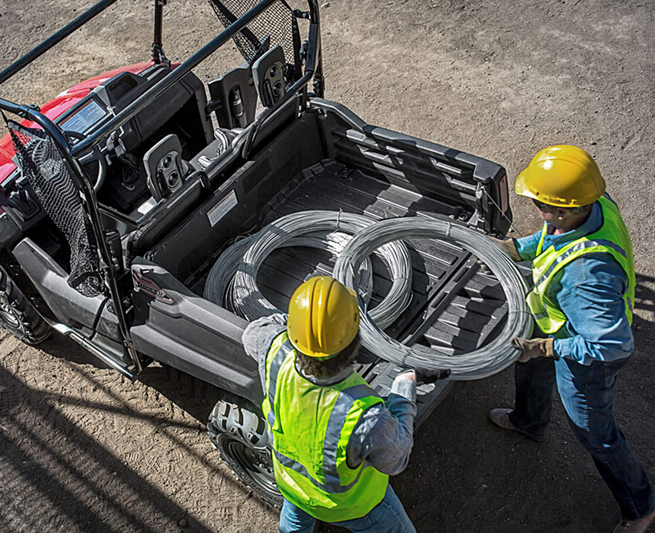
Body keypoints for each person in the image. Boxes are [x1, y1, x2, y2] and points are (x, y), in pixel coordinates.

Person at [488, 145, 655, 533]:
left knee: (595, 434)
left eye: (538, 203)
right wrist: (518, 249)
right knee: (530, 371)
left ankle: (641, 507)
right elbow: (554, 238)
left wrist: (548, 347)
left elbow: (612, 344)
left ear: (562, 208)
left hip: (588, 355)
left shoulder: (587, 277)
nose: (533, 207)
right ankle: (529, 422)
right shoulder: (593, 204)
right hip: (560, 325)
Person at [242, 275, 449, 533]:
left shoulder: (274, 348)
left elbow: (252, 333)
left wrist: (306, 325)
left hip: (291, 482)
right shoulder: (364, 416)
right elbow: (396, 458)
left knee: (294, 523)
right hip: (349, 507)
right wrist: (406, 381)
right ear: (355, 343)